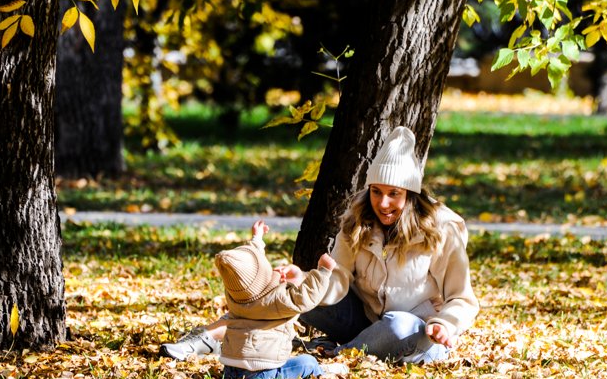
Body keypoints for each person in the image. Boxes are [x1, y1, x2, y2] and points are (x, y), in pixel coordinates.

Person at [162, 125, 479, 365]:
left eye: (394, 193)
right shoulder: (358, 221)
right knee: (289, 295)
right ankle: (212, 338)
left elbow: (463, 300)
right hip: (363, 321)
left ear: (409, 194)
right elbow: (338, 280)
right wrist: (305, 282)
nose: (383, 203)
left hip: (418, 334)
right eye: (376, 191)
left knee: (399, 326)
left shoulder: (440, 230)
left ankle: (335, 353)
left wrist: (443, 325)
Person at [162, 219, 342, 379]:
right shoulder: (277, 300)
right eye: (267, 269)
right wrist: (323, 272)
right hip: (260, 374)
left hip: (230, 371)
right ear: (262, 279)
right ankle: (321, 372)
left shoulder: (235, 296)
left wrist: (257, 239)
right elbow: (306, 297)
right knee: (307, 362)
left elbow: (246, 270)